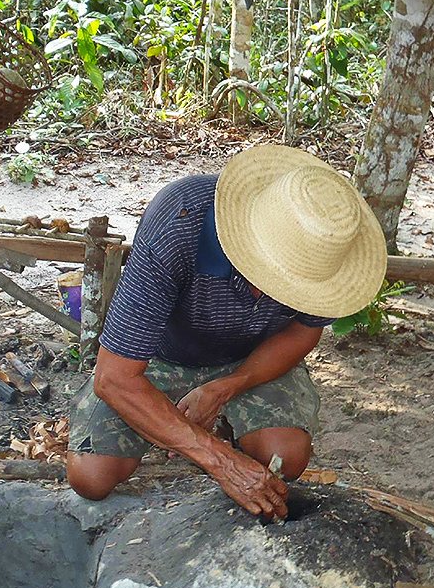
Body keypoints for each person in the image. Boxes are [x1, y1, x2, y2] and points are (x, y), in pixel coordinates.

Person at [66, 144, 386, 519]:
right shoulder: (179, 221)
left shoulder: (326, 250)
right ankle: (195, 429)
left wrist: (230, 385)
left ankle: (215, 419)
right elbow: (114, 378)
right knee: (91, 477)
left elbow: (302, 332)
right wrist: (221, 461)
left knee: (286, 459)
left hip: (251, 357)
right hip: (160, 355)